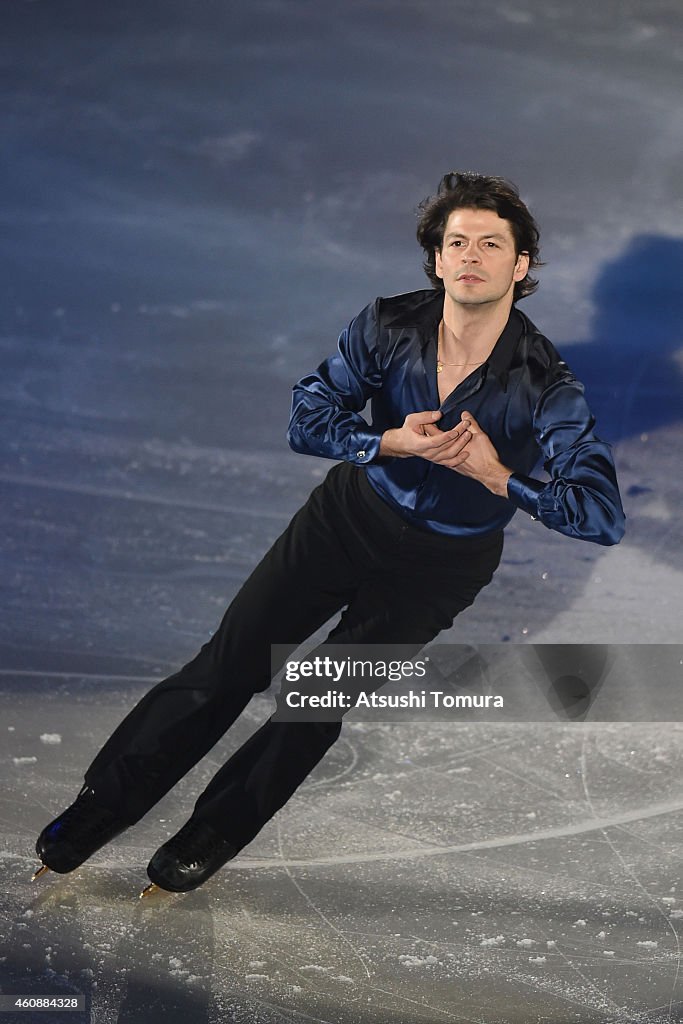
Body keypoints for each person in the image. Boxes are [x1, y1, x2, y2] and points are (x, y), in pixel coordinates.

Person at [33, 171, 625, 896]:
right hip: (345, 521)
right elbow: (305, 420)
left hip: (439, 566)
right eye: (456, 242)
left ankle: (214, 830)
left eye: (490, 244)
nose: (470, 255)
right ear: (436, 260)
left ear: (519, 265)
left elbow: (600, 516)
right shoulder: (386, 324)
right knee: (229, 663)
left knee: (313, 700)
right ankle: (103, 806)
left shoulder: (544, 383)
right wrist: (386, 443)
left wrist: (496, 474)